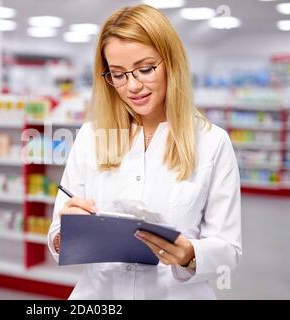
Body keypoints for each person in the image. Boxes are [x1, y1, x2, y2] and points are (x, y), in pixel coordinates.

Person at [47, 4, 242, 300]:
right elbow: (57, 234)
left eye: (146, 69)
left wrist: (190, 254)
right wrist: (66, 232)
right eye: (118, 74)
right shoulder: (90, 137)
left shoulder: (212, 142)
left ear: (172, 63)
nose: (133, 86)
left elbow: (229, 252)